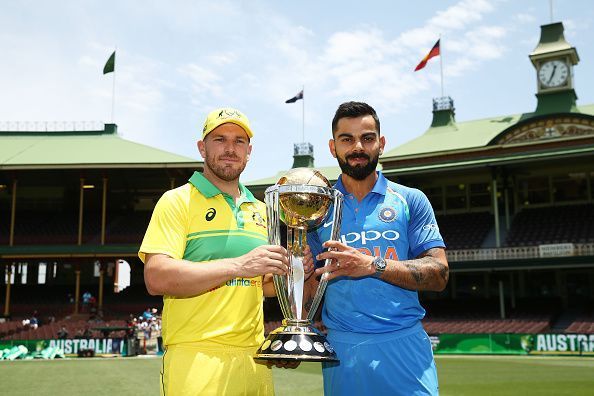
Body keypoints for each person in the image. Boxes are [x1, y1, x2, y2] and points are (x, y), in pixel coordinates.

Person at [139, 107, 295, 395]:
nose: (230, 149)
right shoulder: (176, 201)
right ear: (202, 147)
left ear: (249, 152)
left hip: (254, 357)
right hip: (196, 356)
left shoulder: (263, 210)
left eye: (239, 141)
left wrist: (293, 270)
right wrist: (238, 265)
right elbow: (156, 276)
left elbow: (265, 287)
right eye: (220, 139)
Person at [308, 101, 449, 395]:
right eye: (347, 139)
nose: (358, 147)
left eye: (367, 138)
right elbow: (308, 286)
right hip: (342, 351)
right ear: (333, 147)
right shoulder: (316, 209)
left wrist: (372, 265)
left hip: (404, 346)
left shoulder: (410, 200)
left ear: (381, 144)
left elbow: (439, 274)